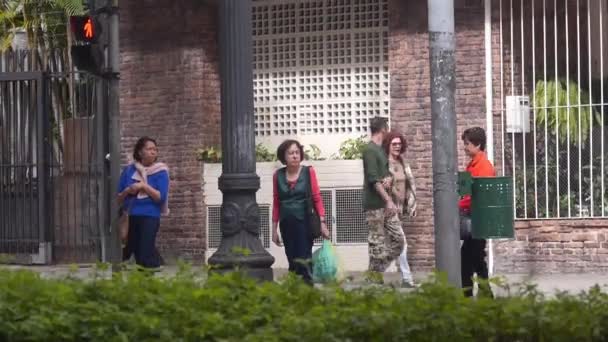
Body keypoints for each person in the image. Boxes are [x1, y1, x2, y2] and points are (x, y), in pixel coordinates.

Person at [271, 139, 330, 284]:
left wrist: (322, 223)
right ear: (284, 156)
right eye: (291, 153)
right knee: (292, 259)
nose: (295, 156)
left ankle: (308, 290)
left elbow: (317, 198)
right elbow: (276, 203)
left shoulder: (308, 172)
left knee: (304, 258)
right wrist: (273, 230)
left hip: (304, 223)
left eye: (297, 152)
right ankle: (294, 291)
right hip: (286, 224)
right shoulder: (277, 175)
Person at [362, 117, 404, 283]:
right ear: (383, 129)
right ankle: (374, 279)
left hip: (386, 203)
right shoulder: (370, 150)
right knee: (376, 244)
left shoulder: (381, 150)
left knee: (399, 241)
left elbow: (383, 175)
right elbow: (373, 179)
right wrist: (388, 200)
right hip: (375, 205)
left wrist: (388, 179)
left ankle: (374, 273)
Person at [118, 136, 170, 269]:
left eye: (155, 149)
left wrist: (143, 186)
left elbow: (161, 197)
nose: (153, 152)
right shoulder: (129, 170)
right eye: (149, 149)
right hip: (130, 216)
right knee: (135, 253)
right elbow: (118, 198)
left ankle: (153, 269)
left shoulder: (161, 171)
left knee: (144, 254)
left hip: (150, 215)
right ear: (140, 152)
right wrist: (127, 191)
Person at [459, 127, 495, 297]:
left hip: (479, 220)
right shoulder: (473, 165)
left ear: (478, 144)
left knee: (472, 260)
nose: (465, 147)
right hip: (475, 219)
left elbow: (479, 195)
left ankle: (479, 295)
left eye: (467, 144)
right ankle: (482, 295)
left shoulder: (484, 167)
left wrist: (460, 202)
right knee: (473, 259)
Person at [383, 130, 417, 288]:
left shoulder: (403, 163)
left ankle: (374, 276)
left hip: (399, 209)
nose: (397, 146)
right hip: (387, 210)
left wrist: (411, 202)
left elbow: (409, 185)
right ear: (388, 145)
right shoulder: (384, 164)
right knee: (402, 243)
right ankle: (407, 279)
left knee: (388, 245)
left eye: (399, 143)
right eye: (394, 144)